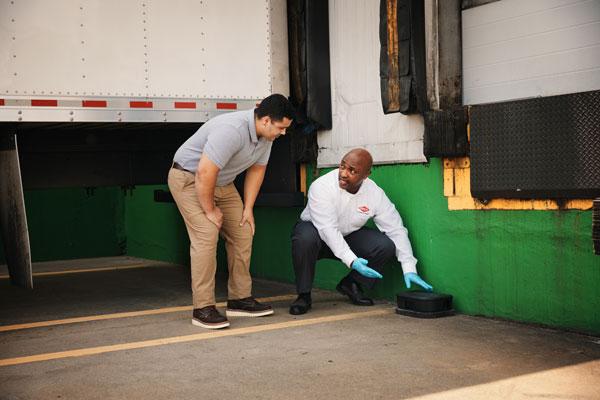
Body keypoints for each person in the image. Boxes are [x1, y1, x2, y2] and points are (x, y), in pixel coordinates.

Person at [168, 94, 294, 329]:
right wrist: (210, 210)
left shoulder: (266, 137)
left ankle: (239, 299)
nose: (283, 133)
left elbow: (257, 171)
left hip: (222, 184)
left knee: (243, 229)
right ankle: (203, 307)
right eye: (281, 128)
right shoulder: (232, 130)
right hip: (189, 178)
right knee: (206, 234)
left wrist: (248, 209)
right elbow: (204, 173)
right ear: (266, 120)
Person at [289, 148, 432, 315]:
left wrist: (409, 267)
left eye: (352, 171)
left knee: (385, 245)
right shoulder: (321, 186)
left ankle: (352, 284)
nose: (343, 173)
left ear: (366, 175)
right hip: (317, 236)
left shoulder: (374, 193)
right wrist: (352, 260)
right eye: (342, 166)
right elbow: (327, 229)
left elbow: (395, 229)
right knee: (304, 238)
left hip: (348, 235)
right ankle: (304, 295)